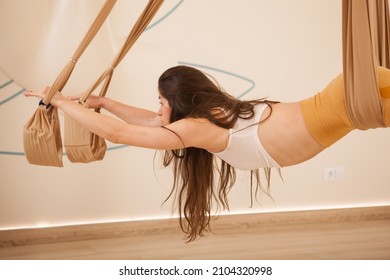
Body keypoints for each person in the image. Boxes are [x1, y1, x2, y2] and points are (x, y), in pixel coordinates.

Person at [24, 65, 390, 241]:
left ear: (179, 104)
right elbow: (151, 122)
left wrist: (56, 100)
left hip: (341, 104)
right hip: (341, 102)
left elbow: (120, 132)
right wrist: (103, 101)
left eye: (162, 102)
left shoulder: (196, 127)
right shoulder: (208, 118)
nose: (159, 110)